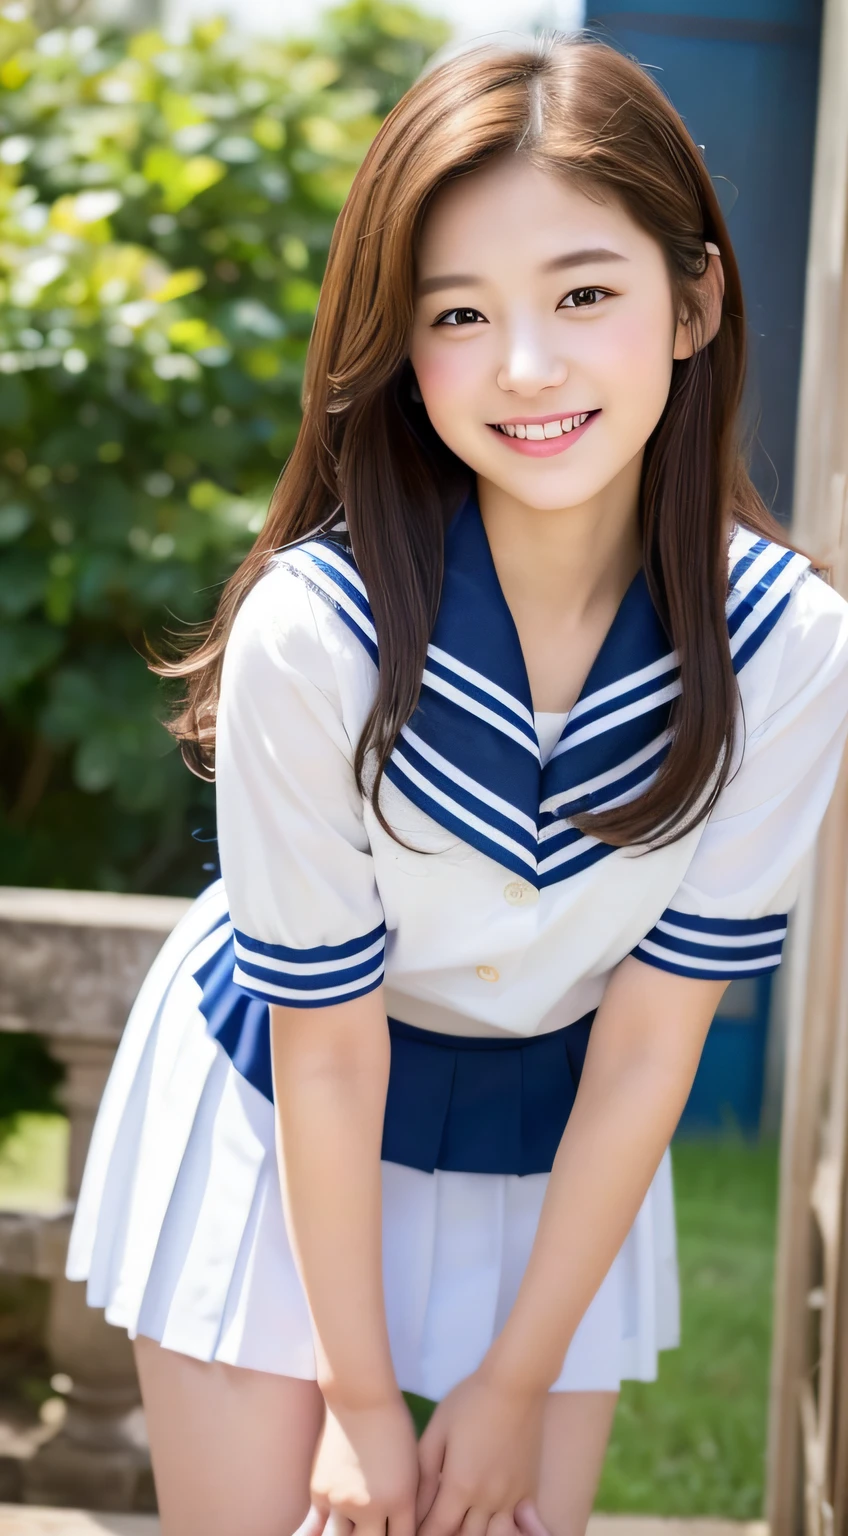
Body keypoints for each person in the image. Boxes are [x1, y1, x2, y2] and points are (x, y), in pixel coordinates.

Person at [67, 31, 848, 1536]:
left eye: (584, 294)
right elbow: (329, 1046)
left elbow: (647, 1046)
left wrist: (510, 1381)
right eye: (460, 314)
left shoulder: (786, 648)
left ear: (694, 303)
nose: (528, 365)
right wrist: (363, 1410)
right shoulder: (322, 629)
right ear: (401, 348)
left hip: (560, 1126)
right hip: (279, 1093)